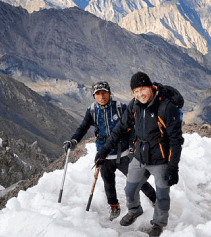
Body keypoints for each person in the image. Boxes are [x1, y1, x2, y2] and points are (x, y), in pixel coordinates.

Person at [94, 72, 184, 237]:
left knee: (162, 194)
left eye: (142, 89)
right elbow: (120, 129)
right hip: (140, 156)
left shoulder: (166, 107)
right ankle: (135, 210)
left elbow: (176, 140)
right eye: (135, 91)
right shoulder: (134, 105)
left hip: (160, 159)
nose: (139, 94)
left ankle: (158, 223)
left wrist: (173, 167)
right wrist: (104, 151)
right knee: (130, 189)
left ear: (150, 87)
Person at [63, 81, 156, 221]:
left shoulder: (120, 108)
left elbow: (133, 127)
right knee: (108, 183)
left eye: (104, 93)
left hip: (123, 153)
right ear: (94, 96)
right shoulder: (92, 110)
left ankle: (155, 199)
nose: (101, 97)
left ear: (109, 92)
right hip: (104, 155)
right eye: (98, 94)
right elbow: (82, 128)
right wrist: (73, 141)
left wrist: (133, 147)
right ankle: (114, 206)